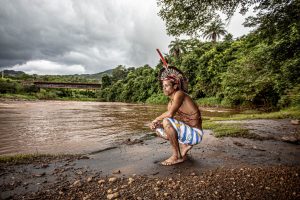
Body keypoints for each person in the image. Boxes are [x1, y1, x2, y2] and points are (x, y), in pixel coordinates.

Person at [150, 66, 204, 166]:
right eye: (163, 86)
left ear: (175, 86)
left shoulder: (180, 94)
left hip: (196, 134)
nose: (164, 88)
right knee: (158, 129)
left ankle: (177, 156)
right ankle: (185, 145)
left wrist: (156, 118)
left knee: (166, 120)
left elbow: (169, 115)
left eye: (166, 85)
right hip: (187, 132)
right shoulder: (170, 104)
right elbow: (173, 123)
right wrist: (158, 124)